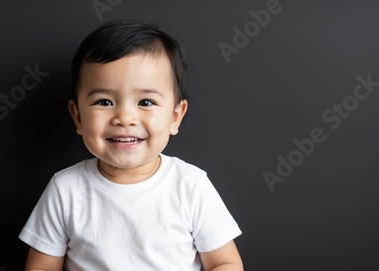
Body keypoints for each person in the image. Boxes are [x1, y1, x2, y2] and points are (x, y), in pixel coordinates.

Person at [19, 19, 243, 271]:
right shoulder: (65, 189)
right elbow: (41, 266)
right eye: (104, 102)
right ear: (78, 117)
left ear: (174, 117)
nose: (124, 118)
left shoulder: (190, 185)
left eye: (145, 102)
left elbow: (224, 263)